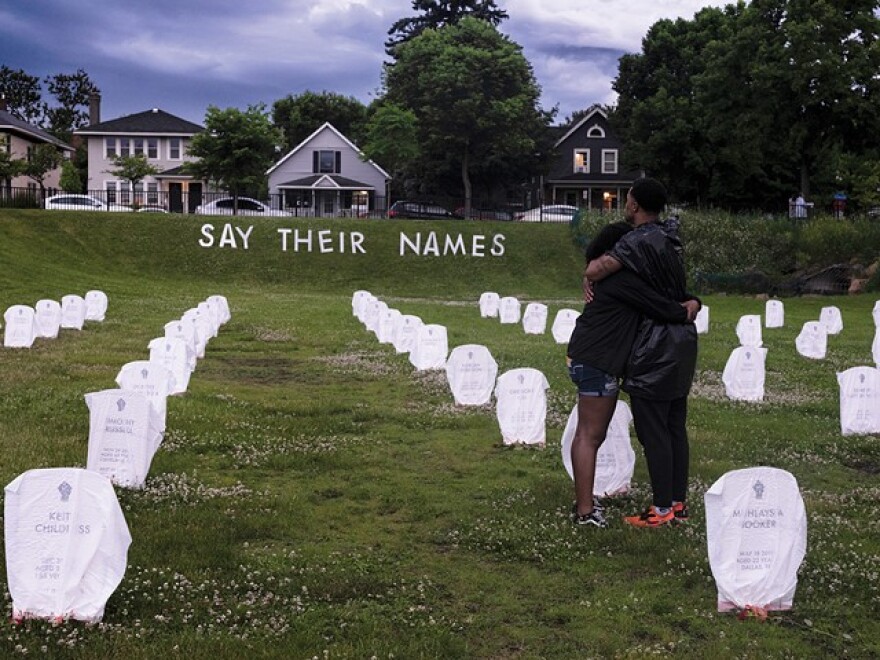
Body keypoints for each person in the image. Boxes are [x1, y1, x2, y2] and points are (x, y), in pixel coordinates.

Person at [567, 221, 699, 528]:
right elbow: (661, 306)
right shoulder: (621, 281)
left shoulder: (614, 279)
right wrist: (689, 308)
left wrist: (693, 299)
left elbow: (658, 294)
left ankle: (586, 504)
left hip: (596, 359)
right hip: (596, 360)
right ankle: (585, 512)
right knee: (590, 435)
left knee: (591, 435)